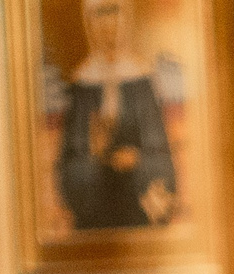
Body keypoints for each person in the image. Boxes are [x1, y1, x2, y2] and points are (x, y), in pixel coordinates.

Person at [54, 0, 176, 230]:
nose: (108, 25)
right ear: (89, 23)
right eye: (100, 15)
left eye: (114, 13)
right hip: (93, 214)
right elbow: (68, 168)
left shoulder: (142, 81)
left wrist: (138, 161)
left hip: (137, 210)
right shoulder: (82, 85)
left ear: (126, 20)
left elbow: (162, 158)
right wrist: (94, 159)